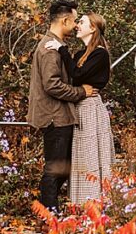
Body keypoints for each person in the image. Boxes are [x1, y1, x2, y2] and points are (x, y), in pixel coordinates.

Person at [27, 0, 96, 213]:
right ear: (65, 20)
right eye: (75, 20)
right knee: (55, 169)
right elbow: (52, 85)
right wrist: (81, 92)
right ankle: (49, 217)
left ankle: (44, 209)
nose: (76, 25)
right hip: (54, 117)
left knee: (62, 169)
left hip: (60, 116)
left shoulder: (56, 45)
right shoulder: (49, 49)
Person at [45, 13, 113, 204]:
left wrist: (62, 49)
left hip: (91, 108)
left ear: (93, 28)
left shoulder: (100, 53)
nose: (77, 26)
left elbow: (77, 72)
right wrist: (61, 52)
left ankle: (95, 201)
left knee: (90, 154)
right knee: (79, 154)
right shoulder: (79, 54)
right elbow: (72, 76)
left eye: (81, 22)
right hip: (78, 106)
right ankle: (80, 202)